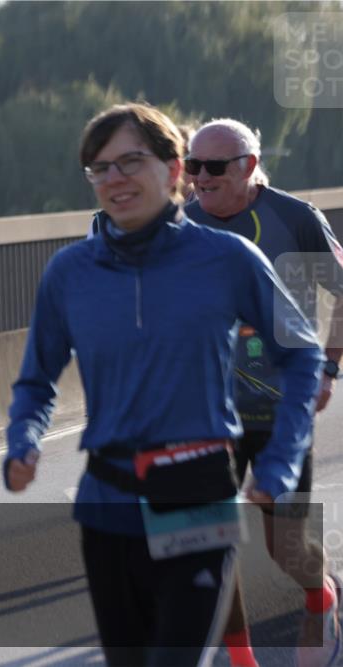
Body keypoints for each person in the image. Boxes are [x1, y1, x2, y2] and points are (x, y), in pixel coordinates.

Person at [5, 103, 323, 666]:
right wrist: (22, 439)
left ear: (174, 170)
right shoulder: (69, 272)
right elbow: (36, 381)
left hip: (196, 487)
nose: (115, 178)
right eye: (100, 168)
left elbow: (301, 357)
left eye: (131, 161)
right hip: (107, 501)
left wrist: (278, 462)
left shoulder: (226, 258)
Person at [185, 118, 343, 667]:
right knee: (211, 545)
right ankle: (241, 657)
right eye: (192, 165)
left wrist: (328, 369)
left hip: (281, 410)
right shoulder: (179, 226)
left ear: (249, 166)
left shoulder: (295, 219)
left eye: (214, 167)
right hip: (206, 414)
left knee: (286, 550)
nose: (200, 178)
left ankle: (322, 596)